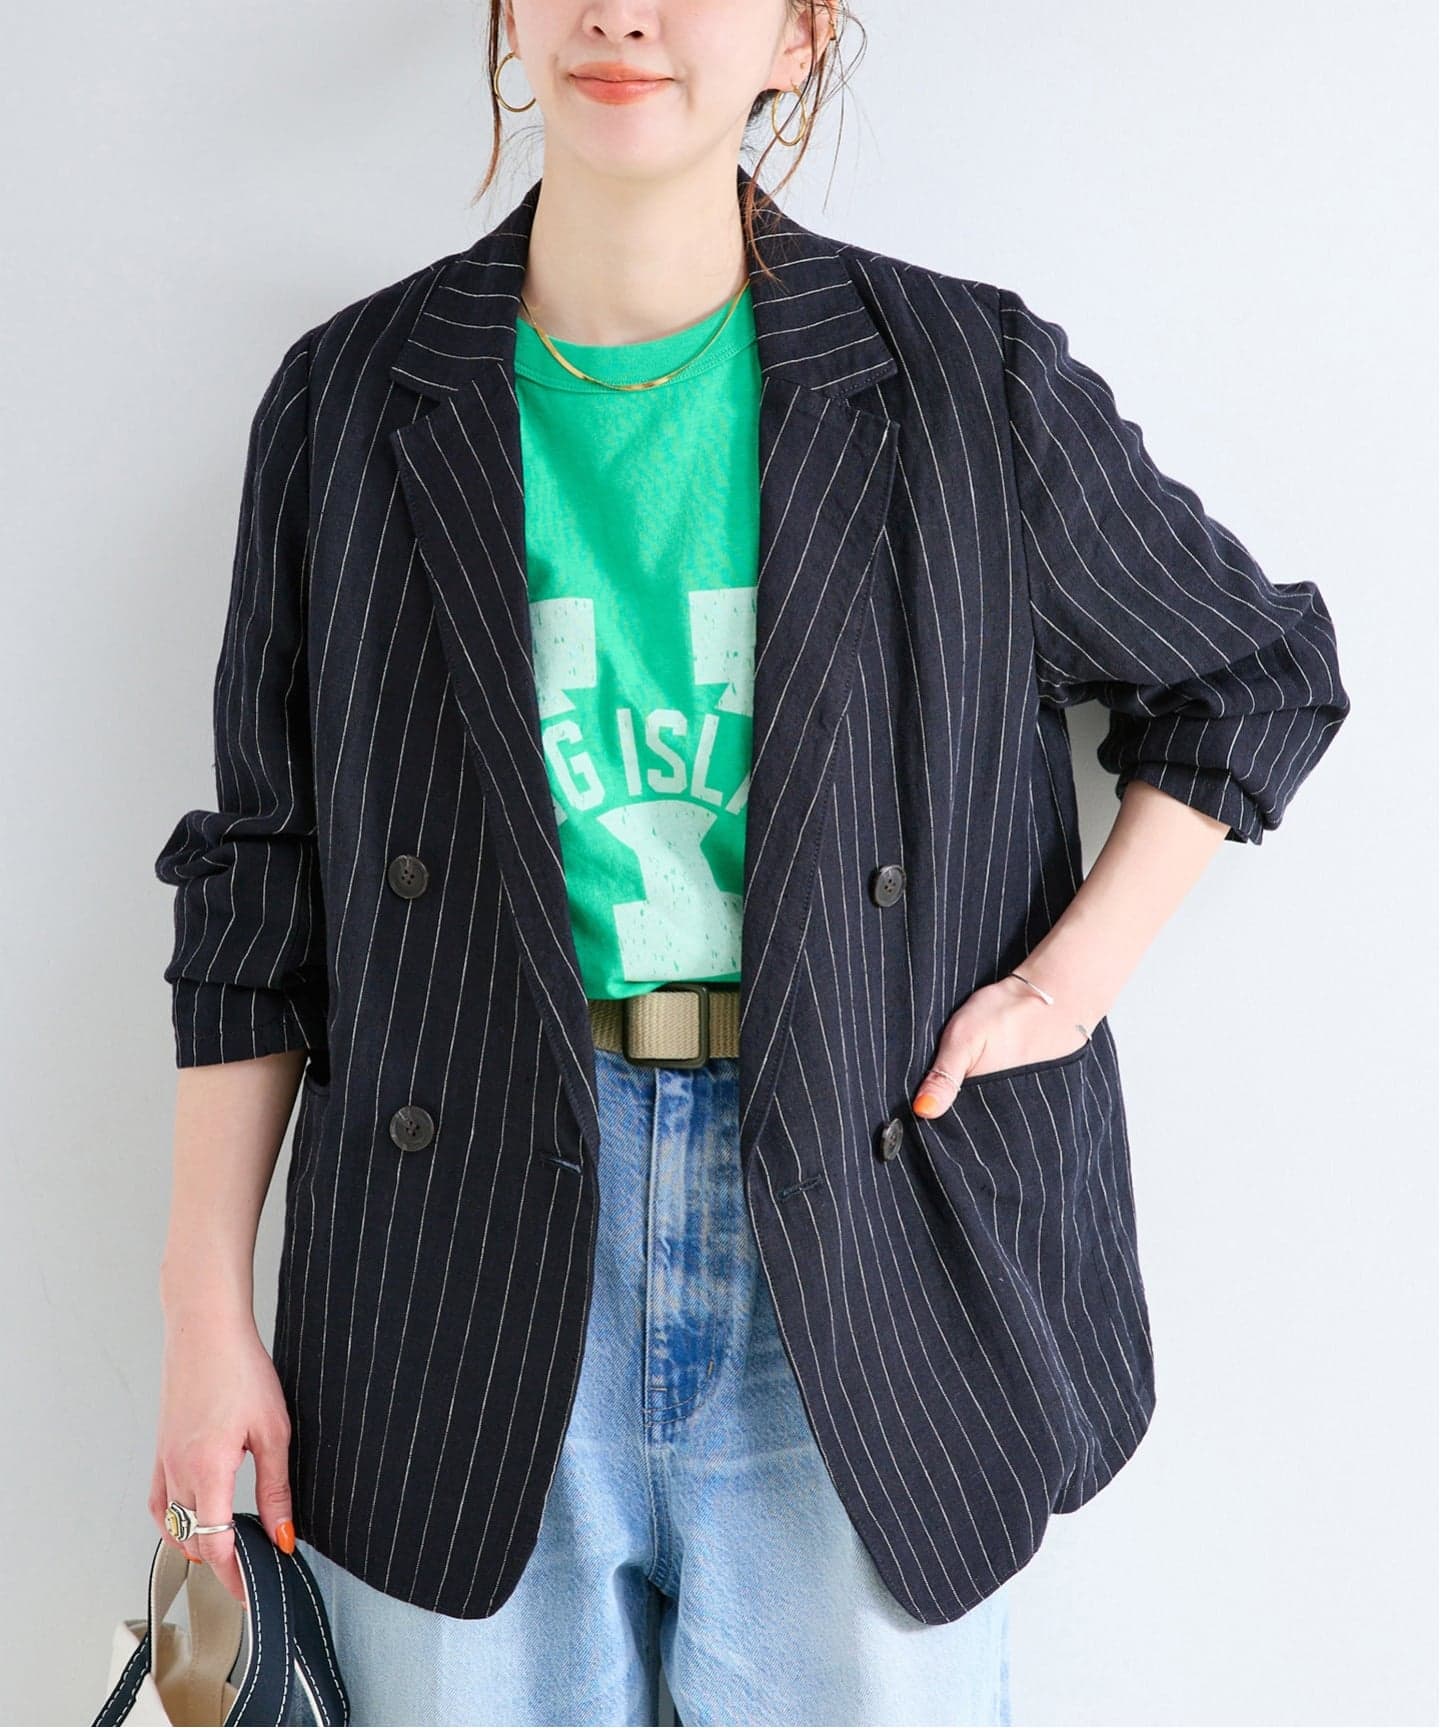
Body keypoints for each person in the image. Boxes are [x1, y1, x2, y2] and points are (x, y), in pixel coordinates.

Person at [148, 2, 1351, 1724]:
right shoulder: (350, 400)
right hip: (455, 1251)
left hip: (861, 1237)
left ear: (798, 35)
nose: (623, 14)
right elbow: (261, 884)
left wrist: (1067, 984)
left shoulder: (963, 381)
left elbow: (1252, 671)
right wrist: (205, 1316)